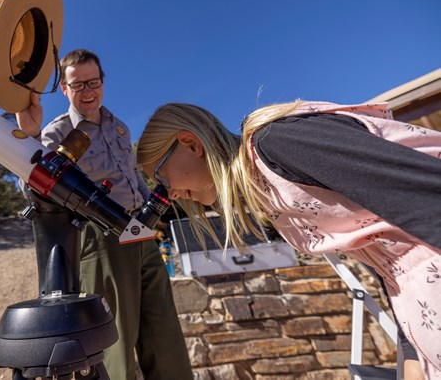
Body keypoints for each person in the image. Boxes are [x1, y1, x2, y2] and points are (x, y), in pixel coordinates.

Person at [136, 100, 441, 380]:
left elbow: (429, 197)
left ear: (190, 144)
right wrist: (412, 352)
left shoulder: (278, 144)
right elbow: (389, 259)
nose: (169, 195)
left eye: (162, 179)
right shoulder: (269, 193)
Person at [16, 49, 193, 380]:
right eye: (77, 84)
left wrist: (151, 216)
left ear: (102, 82)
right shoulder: (56, 132)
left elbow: (132, 175)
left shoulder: (120, 127)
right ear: (65, 90)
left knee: (164, 331)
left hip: (140, 231)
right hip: (100, 237)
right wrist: (28, 137)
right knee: (115, 339)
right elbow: (36, 186)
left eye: (93, 82)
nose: (87, 91)